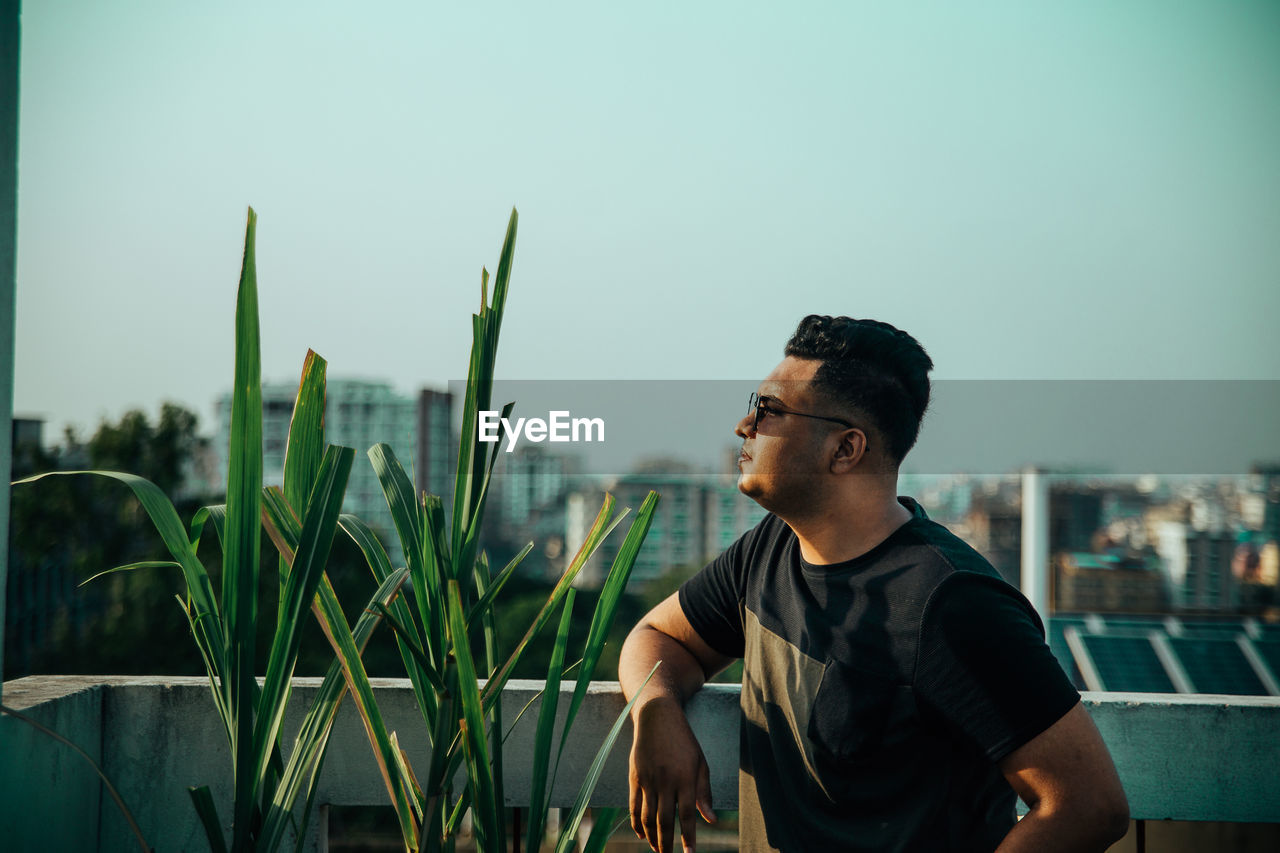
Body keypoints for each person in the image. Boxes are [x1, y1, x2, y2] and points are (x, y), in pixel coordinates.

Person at [619, 316, 1129, 853]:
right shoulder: (770, 548)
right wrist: (656, 712)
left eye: (770, 410)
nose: (746, 425)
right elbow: (659, 636)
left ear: (845, 449)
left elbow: (1088, 805)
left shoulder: (951, 603)